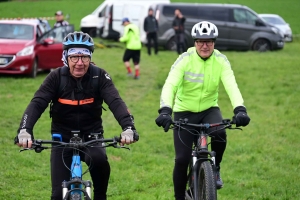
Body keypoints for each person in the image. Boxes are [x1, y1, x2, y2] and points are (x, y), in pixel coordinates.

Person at [15, 31, 139, 200]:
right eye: (74, 57)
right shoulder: (56, 77)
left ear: (90, 58)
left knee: (100, 161)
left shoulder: (99, 76)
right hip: (62, 138)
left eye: (85, 57)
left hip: (92, 136)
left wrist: (128, 127)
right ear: (65, 57)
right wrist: (24, 130)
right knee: (58, 195)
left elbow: (116, 101)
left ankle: (101, 196)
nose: (80, 63)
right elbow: (37, 103)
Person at [155, 21, 250, 200]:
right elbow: (170, 84)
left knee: (220, 132)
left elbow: (231, 85)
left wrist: (240, 109)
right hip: (184, 111)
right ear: (194, 42)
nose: (204, 46)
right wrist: (166, 110)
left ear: (214, 42)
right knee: (182, 159)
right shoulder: (185, 59)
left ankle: (215, 168)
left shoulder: (221, 60)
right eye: (200, 41)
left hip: (209, 109)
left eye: (209, 42)